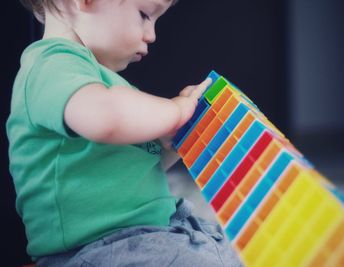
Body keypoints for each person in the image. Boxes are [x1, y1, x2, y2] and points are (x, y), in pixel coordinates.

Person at [7, 0, 243, 266]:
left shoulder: (98, 82)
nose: (151, 35)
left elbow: (132, 168)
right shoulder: (50, 66)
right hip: (95, 249)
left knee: (238, 249)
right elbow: (107, 116)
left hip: (148, 234)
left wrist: (168, 143)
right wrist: (174, 112)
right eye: (144, 15)